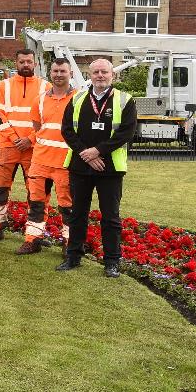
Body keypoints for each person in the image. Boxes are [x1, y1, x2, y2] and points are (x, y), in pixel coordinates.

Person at [57, 59, 137, 278]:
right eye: (96, 72)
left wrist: (98, 151)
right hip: (81, 167)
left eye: (104, 72)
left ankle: (111, 262)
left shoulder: (124, 101)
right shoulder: (78, 99)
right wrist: (87, 154)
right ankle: (73, 257)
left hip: (110, 168)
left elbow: (127, 133)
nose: (100, 75)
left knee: (110, 216)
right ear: (89, 75)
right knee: (77, 214)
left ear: (113, 75)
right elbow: (67, 130)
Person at [0, 49, 49, 243]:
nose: (26, 65)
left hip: (34, 148)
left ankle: (36, 233)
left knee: (37, 193)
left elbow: (48, 118)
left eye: (29, 61)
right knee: (0, 189)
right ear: (16, 63)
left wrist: (30, 138)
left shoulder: (46, 86)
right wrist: (16, 139)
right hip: (8, 146)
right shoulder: (3, 86)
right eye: (22, 62)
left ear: (34, 64)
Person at [17, 58, 76, 255]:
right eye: (55, 71)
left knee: (67, 206)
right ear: (50, 73)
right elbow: (37, 128)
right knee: (36, 203)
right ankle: (33, 240)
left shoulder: (78, 98)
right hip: (40, 161)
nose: (59, 75)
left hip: (65, 162)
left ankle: (70, 244)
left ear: (71, 74)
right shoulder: (40, 99)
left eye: (63, 71)